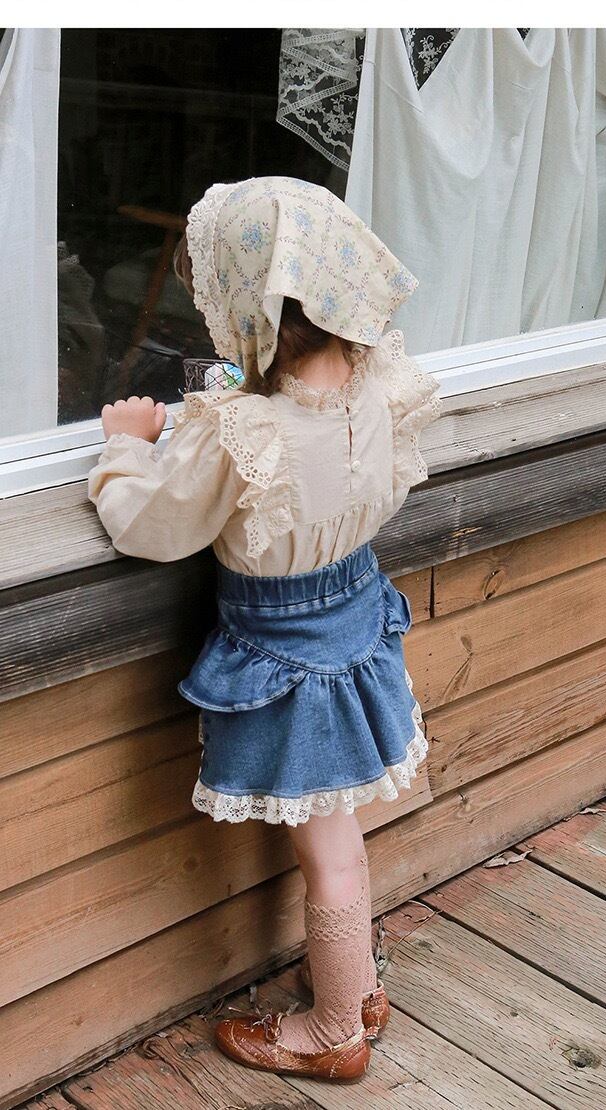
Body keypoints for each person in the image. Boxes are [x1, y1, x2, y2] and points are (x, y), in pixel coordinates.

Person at [87, 176, 442, 1083]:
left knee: (327, 853)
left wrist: (126, 446)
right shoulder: (377, 391)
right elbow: (331, 465)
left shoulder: (245, 433)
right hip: (353, 624)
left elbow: (154, 524)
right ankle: (358, 989)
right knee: (341, 831)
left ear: (251, 312)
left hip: (286, 659)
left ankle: (334, 1032)